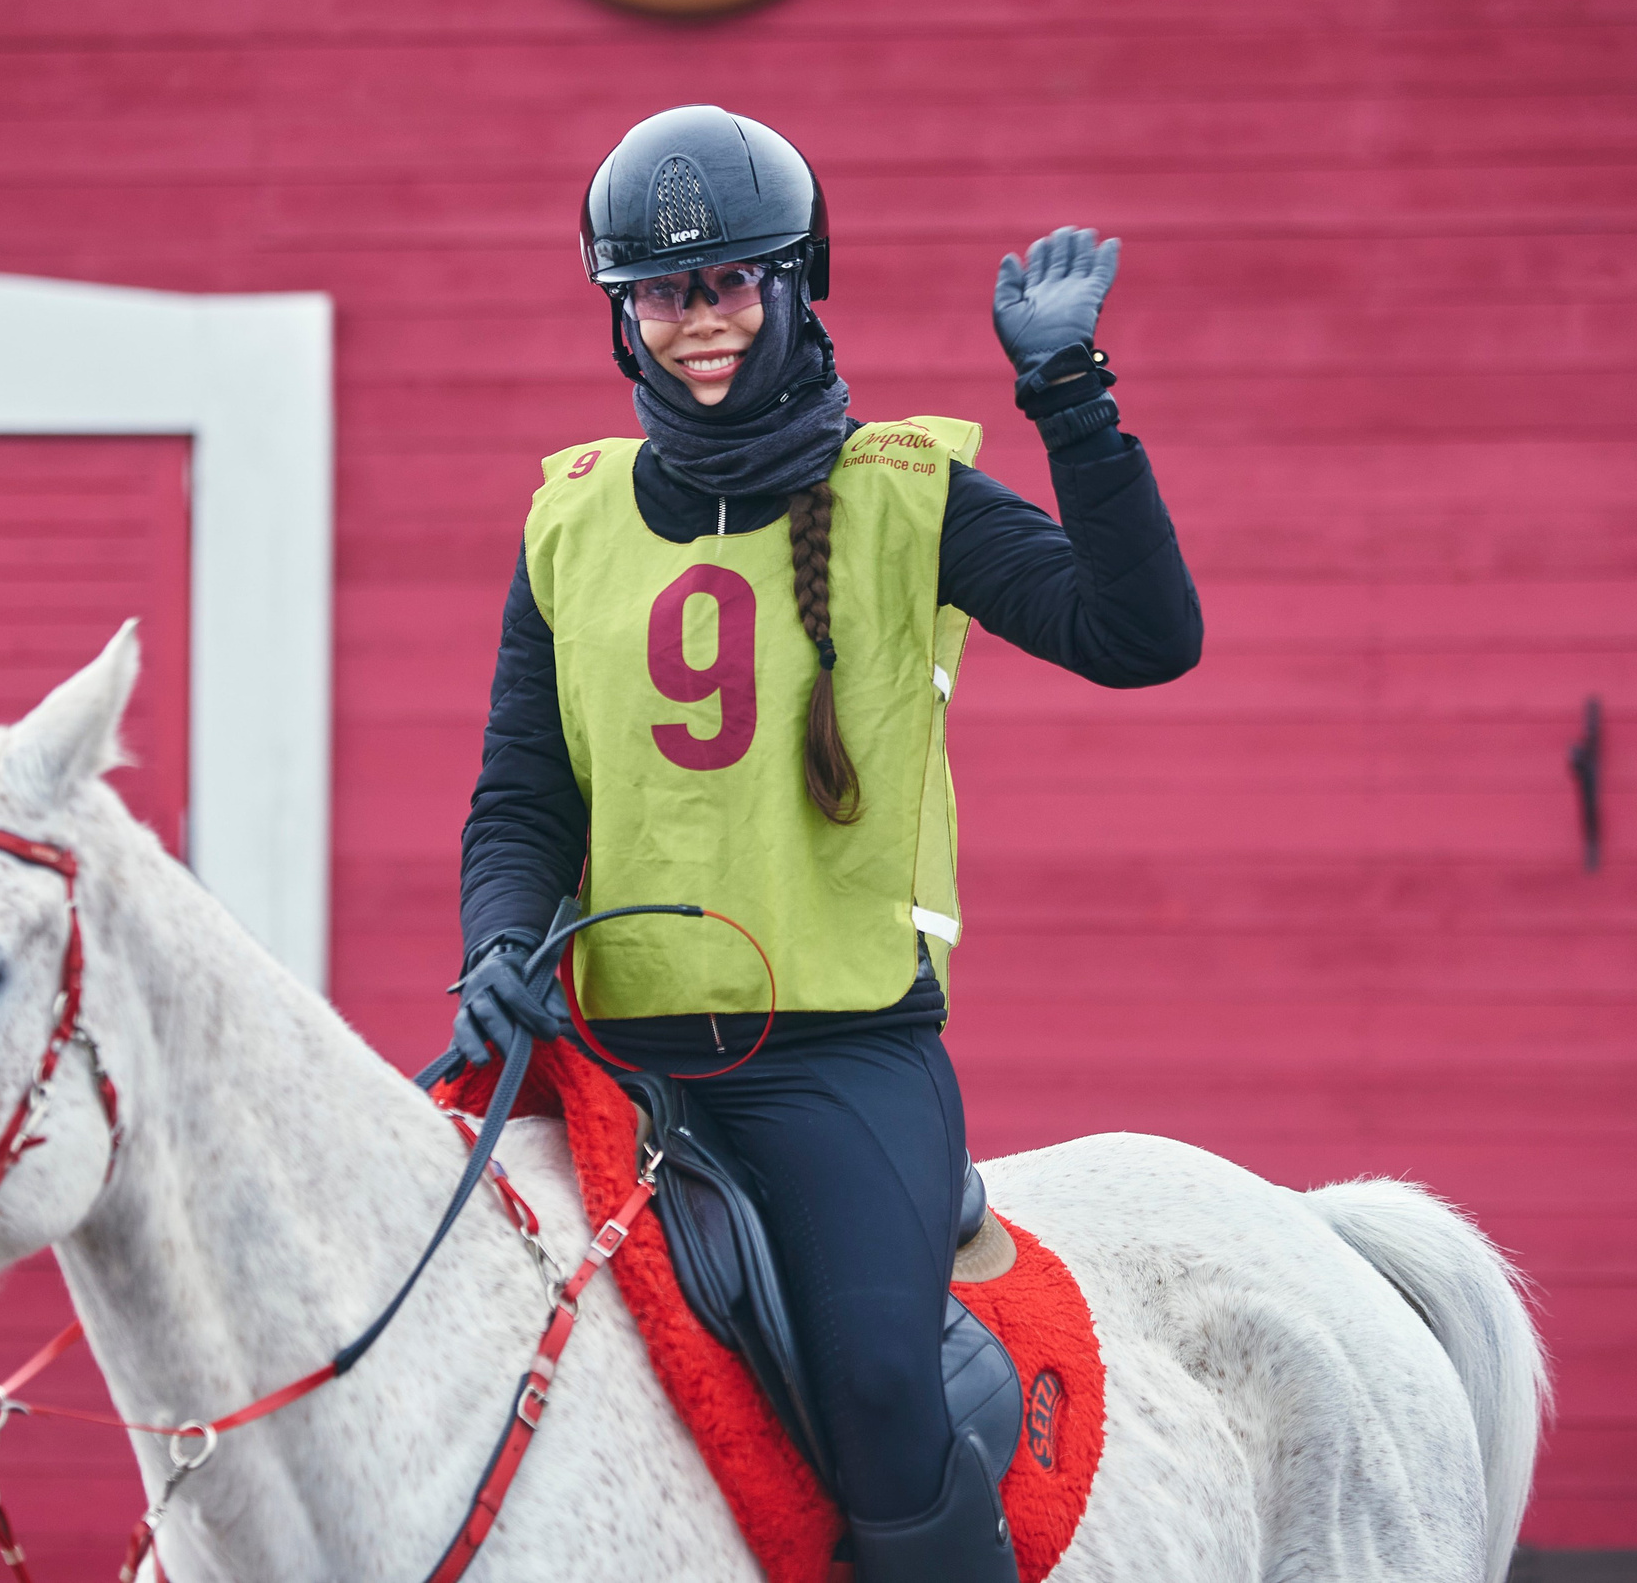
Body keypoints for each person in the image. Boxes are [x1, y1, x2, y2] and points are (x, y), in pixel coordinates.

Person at [448, 105, 1201, 1582]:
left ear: (797, 284)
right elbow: (523, 799)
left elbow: (1142, 637)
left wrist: (1071, 398)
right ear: (621, 314)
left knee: (878, 1393)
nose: (698, 322)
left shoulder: (909, 498)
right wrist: (496, 944)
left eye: (730, 282)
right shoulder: (568, 524)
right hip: (614, 1061)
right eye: (661, 294)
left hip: (839, 1059)